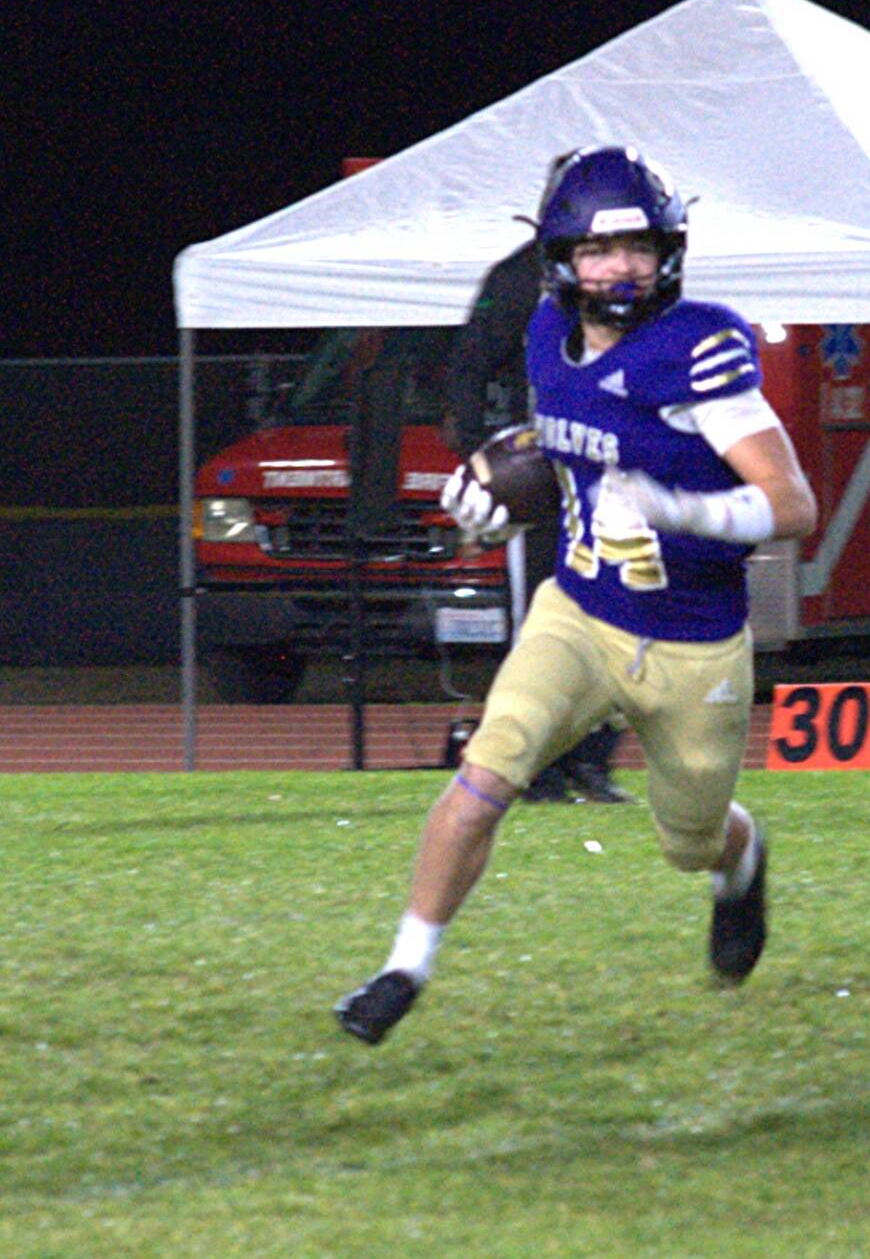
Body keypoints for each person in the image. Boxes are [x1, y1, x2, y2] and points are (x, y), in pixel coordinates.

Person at [334, 146, 818, 1045]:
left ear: (667, 247)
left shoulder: (700, 344)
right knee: (486, 775)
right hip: (582, 611)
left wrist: (678, 505)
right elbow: (564, 445)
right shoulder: (541, 340)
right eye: (599, 251)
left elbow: (792, 504)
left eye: (637, 245)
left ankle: (742, 865)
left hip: (692, 642)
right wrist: (488, 490)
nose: (621, 267)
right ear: (561, 258)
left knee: (691, 839)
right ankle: (403, 966)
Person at [444, 229, 632, 805]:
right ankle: (540, 768)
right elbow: (468, 365)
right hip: (549, 480)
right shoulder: (521, 276)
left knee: (625, 626)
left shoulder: (631, 273)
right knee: (543, 631)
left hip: (620, 477)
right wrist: (485, 456)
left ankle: (591, 762)